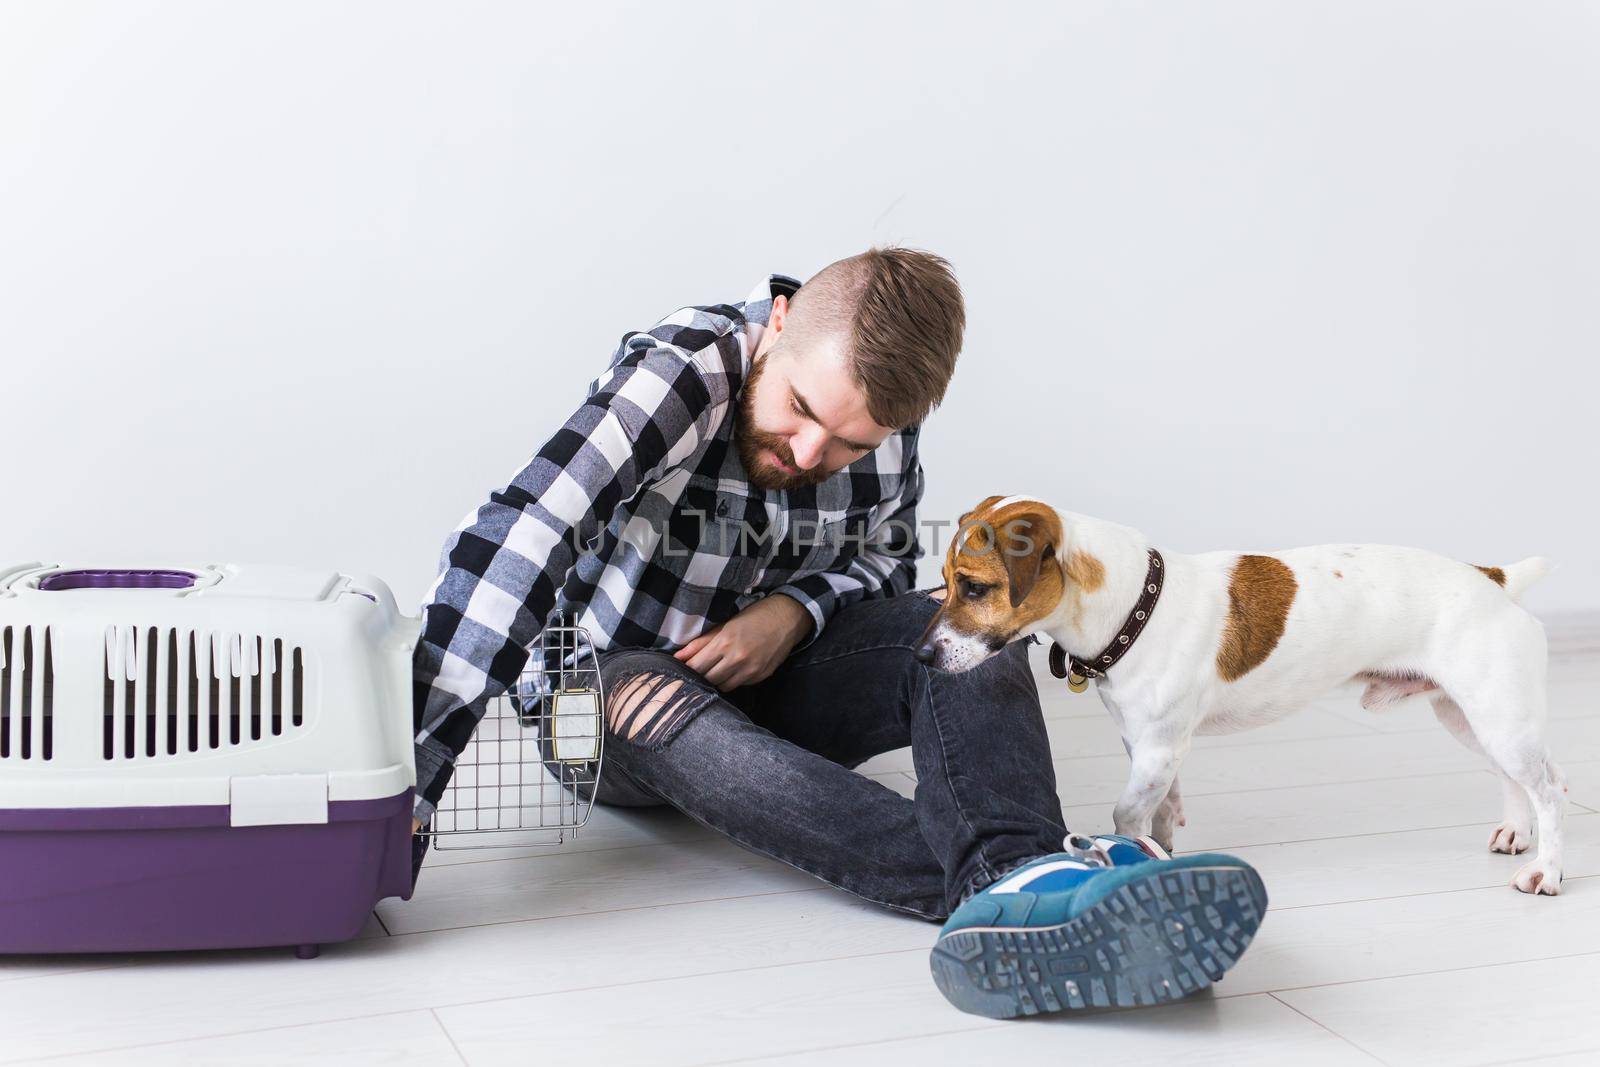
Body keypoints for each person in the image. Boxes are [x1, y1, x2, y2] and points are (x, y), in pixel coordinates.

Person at [408, 248, 1265, 1018]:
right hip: (609, 694)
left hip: (774, 679)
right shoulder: (679, 373)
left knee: (966, 635)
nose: (811, 450)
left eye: (849, 442)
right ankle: (1029, 878)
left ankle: (1019, 881)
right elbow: (522, 536)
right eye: (800, 409)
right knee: (655, 704)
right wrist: (410, 787)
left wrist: (793, 613)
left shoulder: (882, 419)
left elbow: (886, 566)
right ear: (777, 325)